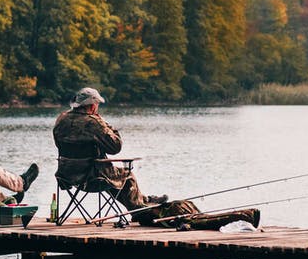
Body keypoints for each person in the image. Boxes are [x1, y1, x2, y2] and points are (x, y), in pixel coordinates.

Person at [53, 87, 260, 230]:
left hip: (67, 176)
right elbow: (115, 147)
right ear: (92, 106)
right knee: (127, 175)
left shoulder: (61, 120)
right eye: (97, 106)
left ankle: (144, 203)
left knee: (117, 178)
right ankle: (142, 208)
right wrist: (106, 124)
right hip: (92, 176)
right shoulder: (93, 122)